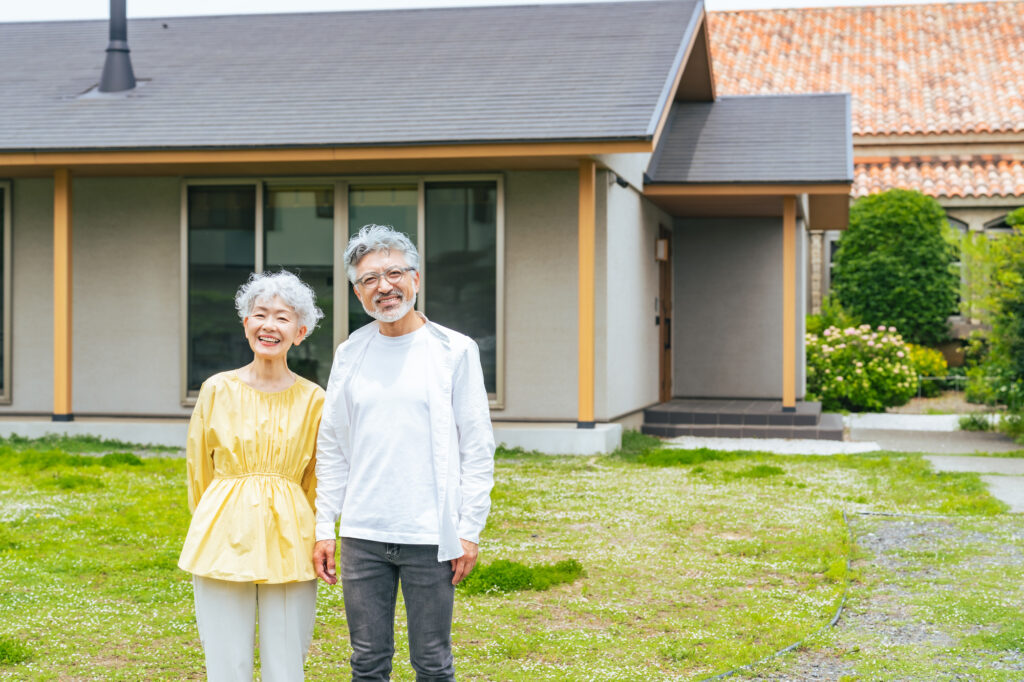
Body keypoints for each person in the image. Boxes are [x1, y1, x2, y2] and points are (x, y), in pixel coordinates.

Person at [313, 224, 495, 681]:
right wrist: (324, 526)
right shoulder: (350, 353)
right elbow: (332, 447)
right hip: (363, 534)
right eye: (369, 279)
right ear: (358, 293)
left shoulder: (455, 350)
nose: (384, 286)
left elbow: (477, 447)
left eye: (394, 273)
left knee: (432, 663)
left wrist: (468, 529)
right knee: (367, 662)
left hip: (430, 535)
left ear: (415, 278)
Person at [178, 270, 326, 682]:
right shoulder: (216, 389)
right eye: (260, 314)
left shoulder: (314, 399)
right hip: (222, 535)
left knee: (287, 660)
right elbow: (199, 469)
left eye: (282, 317)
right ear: (246, 324)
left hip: (291, 539)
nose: (269, 325)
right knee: (226, 661)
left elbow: (317, 478)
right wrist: (210, 522)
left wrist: (316, 533)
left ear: (300, 332)